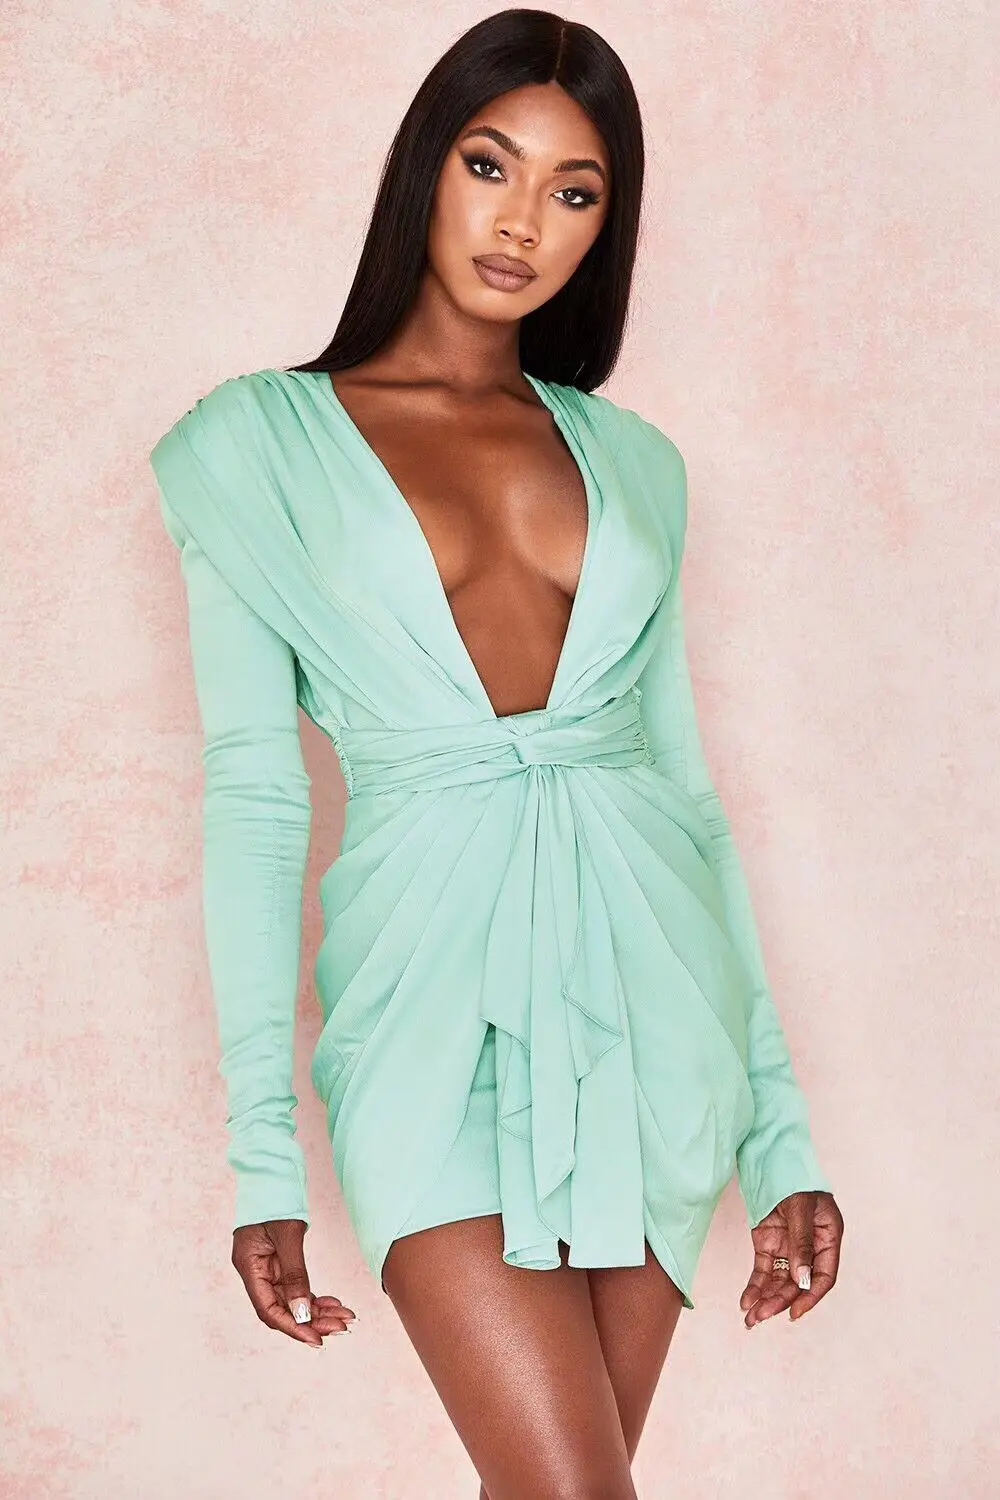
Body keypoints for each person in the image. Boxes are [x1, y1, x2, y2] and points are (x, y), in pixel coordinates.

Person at [150, 10, 843, 1498]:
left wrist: (782, 1137)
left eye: (574, 191)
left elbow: (689, 800)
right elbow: (257, 804)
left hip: (654, 1007)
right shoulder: (249, 446)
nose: (523, 221)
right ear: (424, 167)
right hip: (425, 1015)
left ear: (608, 225)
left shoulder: (636, 462)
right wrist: (264, 1157)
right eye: (490, 165)